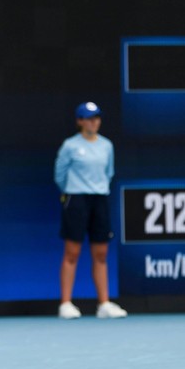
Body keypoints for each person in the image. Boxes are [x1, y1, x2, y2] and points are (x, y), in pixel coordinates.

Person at [54, 101, 127, 320]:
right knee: (72, 253)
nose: (94, 121)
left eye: (96, 117)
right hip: (76, 200)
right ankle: (65, 303)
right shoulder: (70, 145)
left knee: (101, 254)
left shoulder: (107, 145)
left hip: (100, 200)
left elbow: (109, 172)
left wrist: (96, 189)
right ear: (79, 121)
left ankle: (103, 303)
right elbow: (60, 175)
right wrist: (72, 192)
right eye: (88, 117)